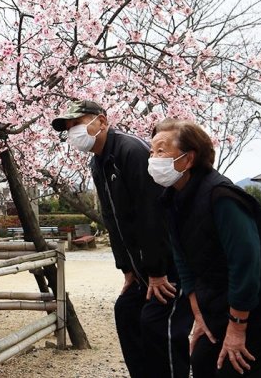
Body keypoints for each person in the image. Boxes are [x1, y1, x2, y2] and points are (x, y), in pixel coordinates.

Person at [52, 100, 193, 378]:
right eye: (68, 130)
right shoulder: (98, 163)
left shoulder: (131, 151)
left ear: (102, 122)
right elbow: (112, 218)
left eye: (77, 124)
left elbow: (151, 213)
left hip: (168, 265)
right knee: (126, 312)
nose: (73, 134)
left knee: (158, 326)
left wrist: (156, 272)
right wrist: (127, 269)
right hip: (140, 269)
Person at [151, 118, 261, 377]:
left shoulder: (223, 197)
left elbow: (244, 263)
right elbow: (184, 263)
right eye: (151, 152)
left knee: (237, 367)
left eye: (161, 150)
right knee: (202, 361)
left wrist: (237, 327)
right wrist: (200, 317)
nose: (153, 158)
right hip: (229, 295)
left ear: (189, 159)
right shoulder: (173, 199)